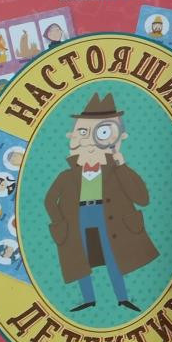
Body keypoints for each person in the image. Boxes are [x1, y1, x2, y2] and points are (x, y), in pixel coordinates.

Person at [44, 92, 159, 312]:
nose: (90, 141)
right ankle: (88, 299)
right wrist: (60, 222)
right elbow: (49, 200)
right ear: (73, 136)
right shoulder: (66, 176)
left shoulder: (117, 171)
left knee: (113, 256)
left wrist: (121, 165)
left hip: (107, 216)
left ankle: (123, 298)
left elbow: (142, 199)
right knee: (80, 259)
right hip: (78, 218)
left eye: (102, 132)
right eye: (83, 132)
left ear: (118, 137)